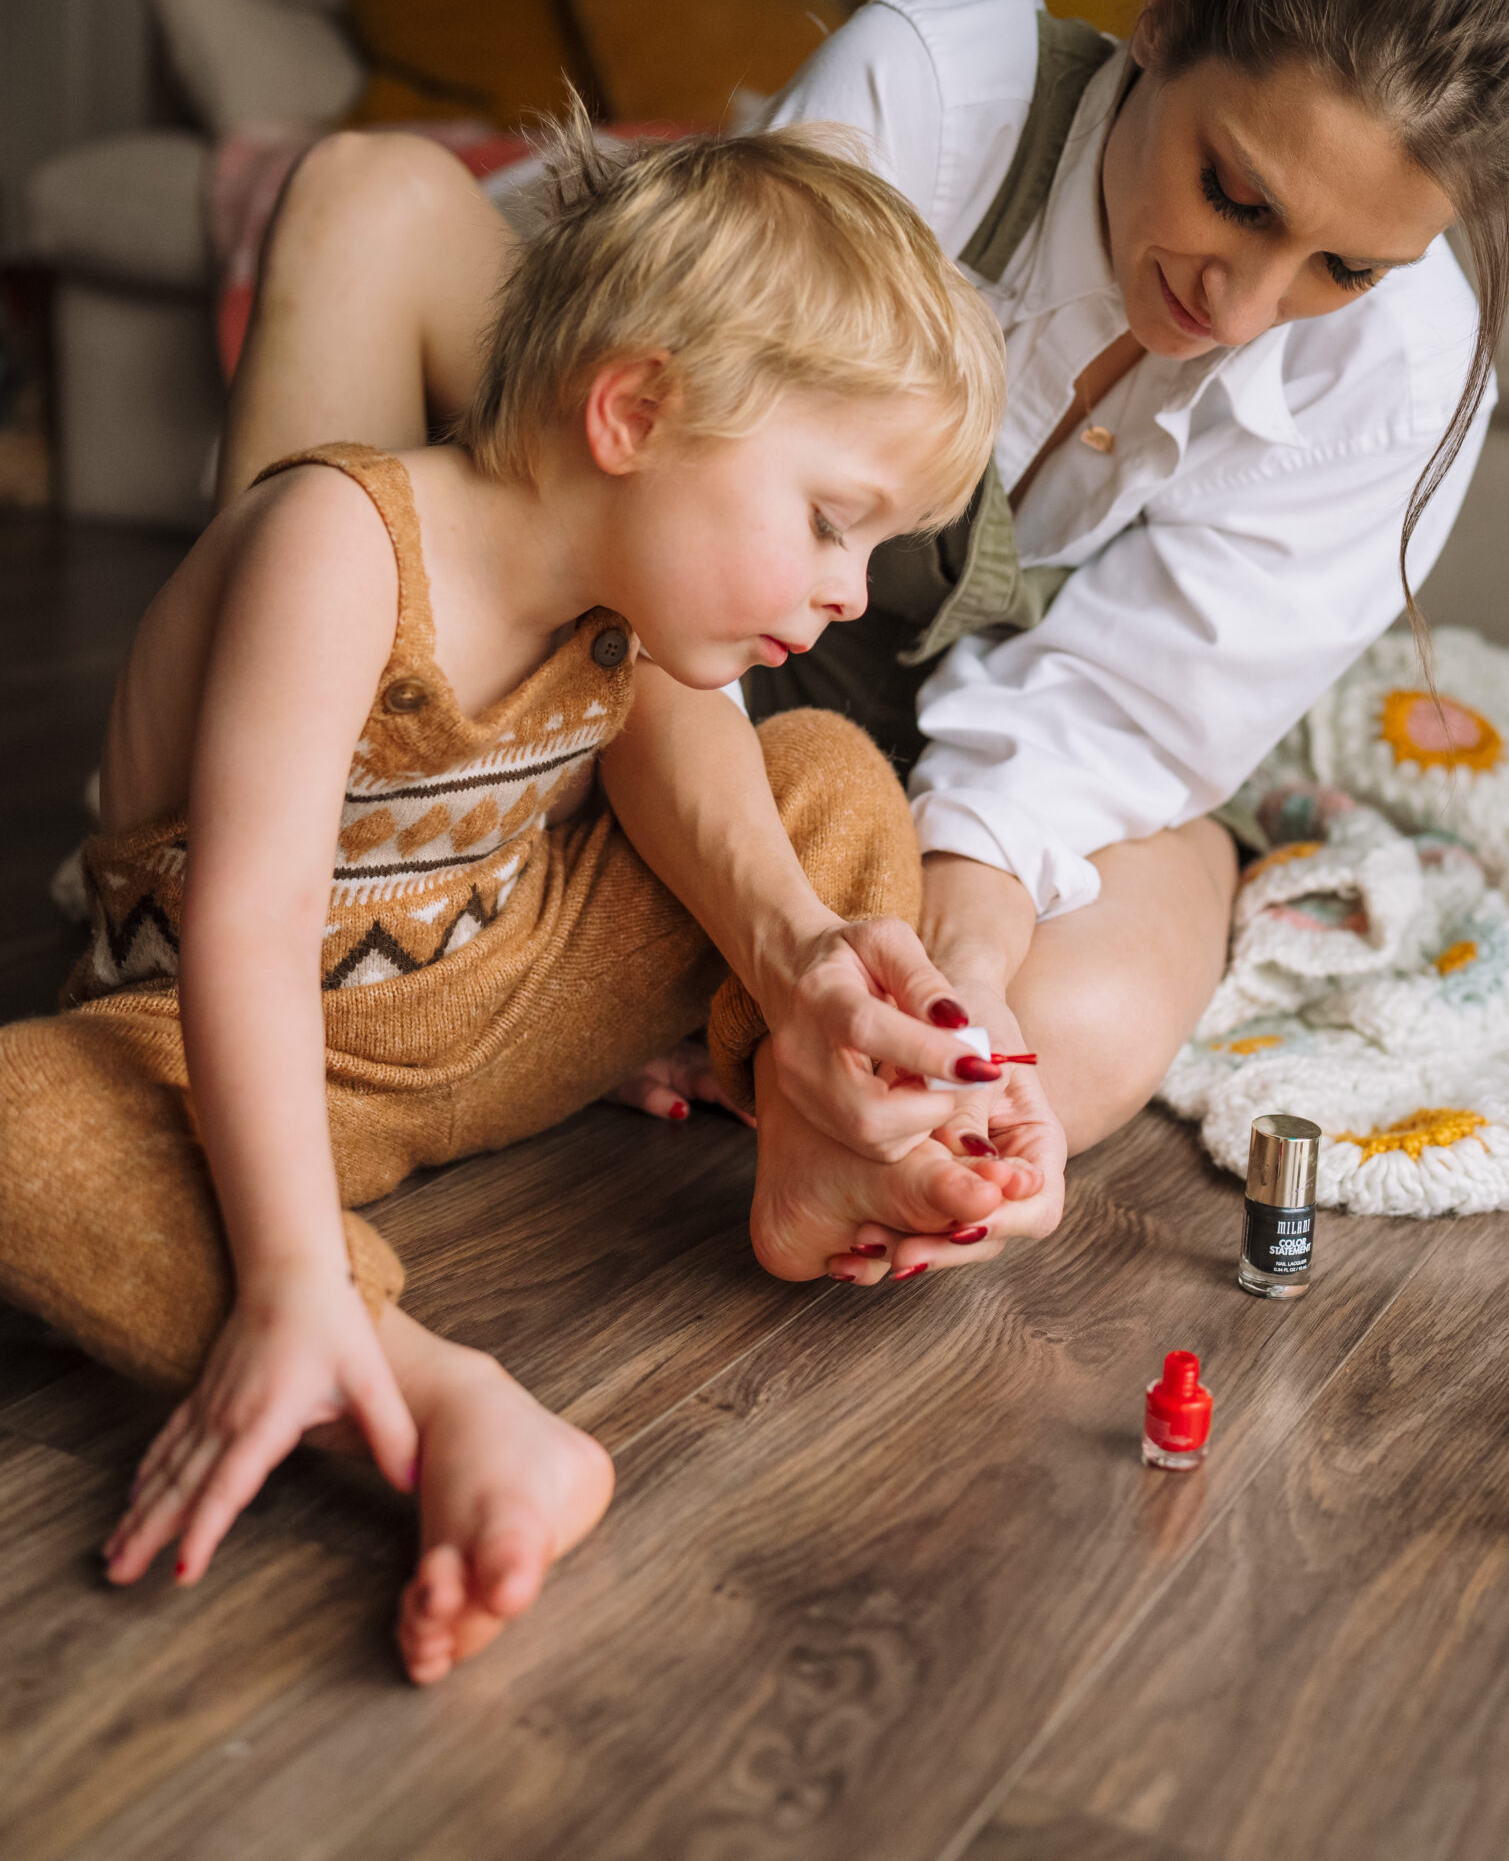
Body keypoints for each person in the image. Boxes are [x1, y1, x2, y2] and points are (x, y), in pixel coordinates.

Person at [217, 0, 1509, 1288]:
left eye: (1343, 268)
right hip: (668, 618)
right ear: (1166, 14)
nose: (1241, 306)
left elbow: (1111, 730)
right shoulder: (933, 92)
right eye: (1235, 193)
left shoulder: (1415, 370)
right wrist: (795, 941)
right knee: (366, 200)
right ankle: (271, 871)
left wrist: (951, 989)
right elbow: (661, 537)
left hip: (913, 758)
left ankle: (792, 1104)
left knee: (1074, 1033)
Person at [0, 119, 1030, 1685]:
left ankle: (820, 1147)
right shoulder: (339, 540)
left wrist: (837, 993)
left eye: (874, 548)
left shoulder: (636, 607)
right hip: (269, 1059)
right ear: (631, 411)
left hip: (512, 980)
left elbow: (719, 826)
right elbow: (251, 930)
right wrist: (286, 1262)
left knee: (827, 765)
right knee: (19, 1120)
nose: (849, 592)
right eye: (832, 520)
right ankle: (398, 1377)